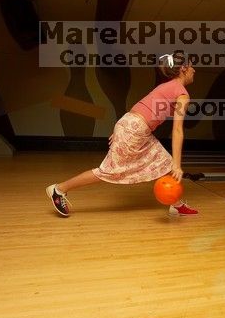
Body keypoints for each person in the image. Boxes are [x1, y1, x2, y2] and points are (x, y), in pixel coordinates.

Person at [46, 51, 199, 217]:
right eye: (191, 66)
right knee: (108, 171)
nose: (194, 70)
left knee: (164, 163)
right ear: (183, 68)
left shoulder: (166, 86)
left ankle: (175, 204)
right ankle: (59, 189)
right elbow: (177, 130)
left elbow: (140, 106)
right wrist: (178, 164)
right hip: (134, 130)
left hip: (133, 126)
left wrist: (122, 129)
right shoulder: (182, 94)